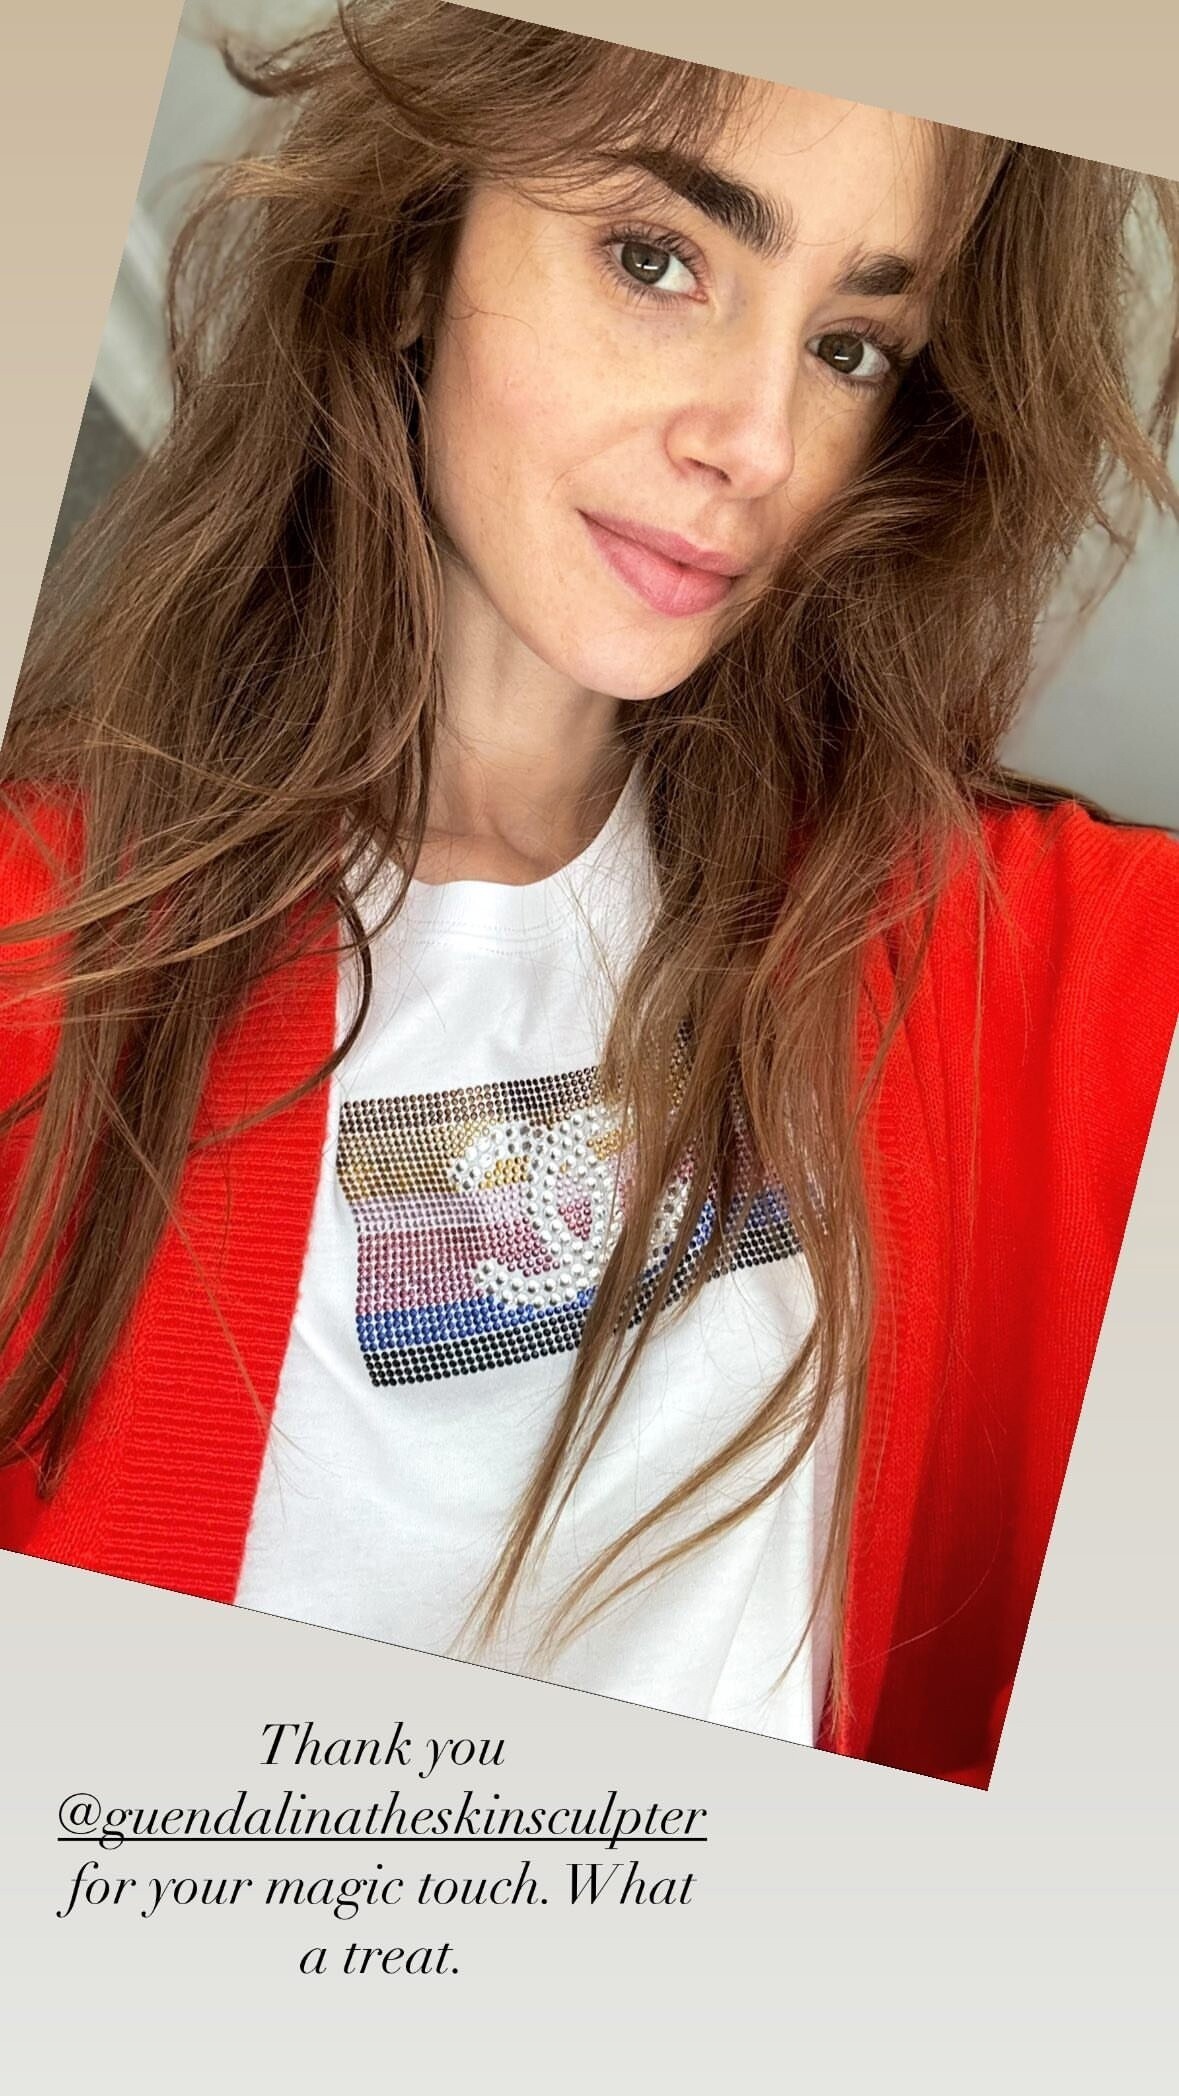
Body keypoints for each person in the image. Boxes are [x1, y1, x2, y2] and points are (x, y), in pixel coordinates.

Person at [1, 0, 1177, 1788]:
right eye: (657, 257)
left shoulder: (1001, 950)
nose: (759, 441)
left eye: (851, 347)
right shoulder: (44, 946)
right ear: (423, 250)